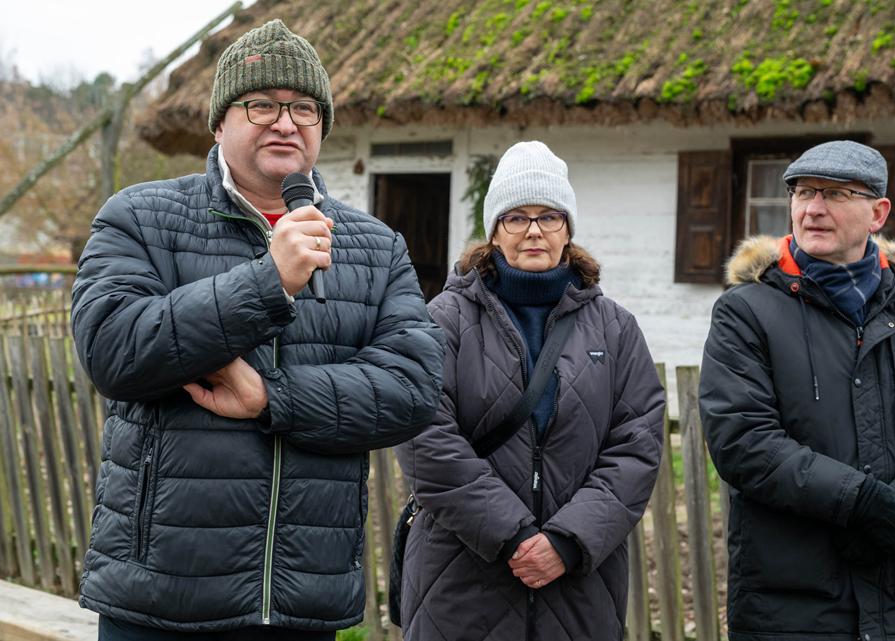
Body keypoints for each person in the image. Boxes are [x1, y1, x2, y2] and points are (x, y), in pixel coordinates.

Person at [71, 19, 443, 640]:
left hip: (302, 600)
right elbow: (114, 351)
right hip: (160, 597)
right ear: (220, 122)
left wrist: (271, 397)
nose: (285, 122)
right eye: (261, 104)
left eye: (304, 108)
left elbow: (413, 390)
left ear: (321, 126)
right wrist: (269, 281)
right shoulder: (140, 217)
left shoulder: (376, 247)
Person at [394, 141, 665, 641]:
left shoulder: (616, 329)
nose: (534, 230)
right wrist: (512, 535)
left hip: (579, 587)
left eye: (549, 216)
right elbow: (423, 438)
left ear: (568, 229)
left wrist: (567, 541)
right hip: (460, 579)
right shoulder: (443, 320)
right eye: (516, 217)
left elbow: (637, 445)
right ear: (495, 230)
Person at [699, 140, 895, 641]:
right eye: (803, 192)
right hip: (790, 609)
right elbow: (744, 440)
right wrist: (862, 503)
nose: (813, 209)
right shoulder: (746, 312)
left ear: (878, 213)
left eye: (836, 194)